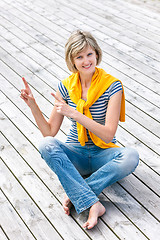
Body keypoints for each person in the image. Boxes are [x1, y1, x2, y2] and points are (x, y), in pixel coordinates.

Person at [20, 30, 139, 230]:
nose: (86, 61)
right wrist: (33, 105)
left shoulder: (113, 86)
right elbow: (49, 132)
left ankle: (78, 194)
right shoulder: (65, 87)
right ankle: (93, 204)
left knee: (131, 156)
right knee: (45, 145)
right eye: (80, 56)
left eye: (90, 54)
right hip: (77, 154)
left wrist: (74, 114)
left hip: (104, 154)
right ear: (72, 60)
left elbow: (108, 134)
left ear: (97, 54)